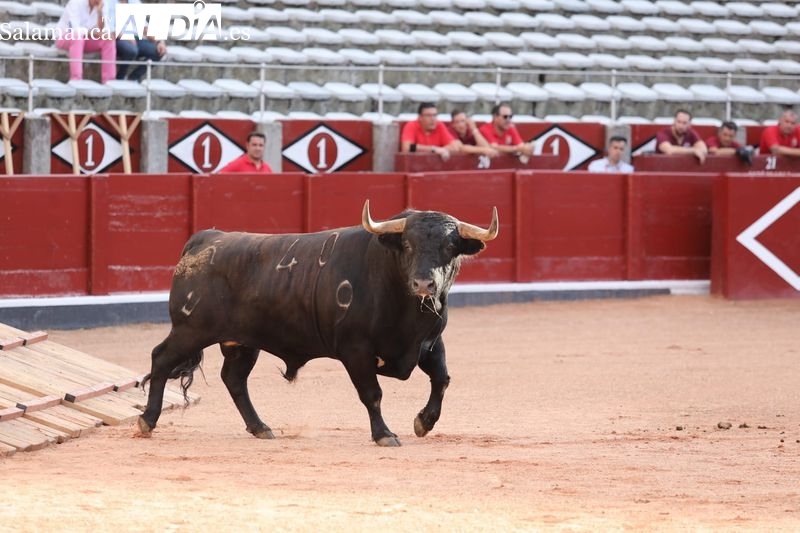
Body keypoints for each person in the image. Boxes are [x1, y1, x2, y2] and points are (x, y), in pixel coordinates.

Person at [55, 0, 116, 84]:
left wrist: (100, 13)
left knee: (109, 40)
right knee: (77, 37)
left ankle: (109, 81)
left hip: (86, 39)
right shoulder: (75, 3)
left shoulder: (103, 4)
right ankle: (76, 79)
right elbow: (74, 29)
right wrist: (94, 33)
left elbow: (104, 29)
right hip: (65, 36)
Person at [106, 0, 167, 81]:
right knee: (131, 50)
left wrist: (159, 42)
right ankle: (120, 77)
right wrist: (126, 37)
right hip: (118, 38)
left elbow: (144, 27)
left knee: (158, 51)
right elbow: (109, 28)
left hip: (135, 38)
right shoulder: (108, 3)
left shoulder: (135, 2)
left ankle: (133, 78)